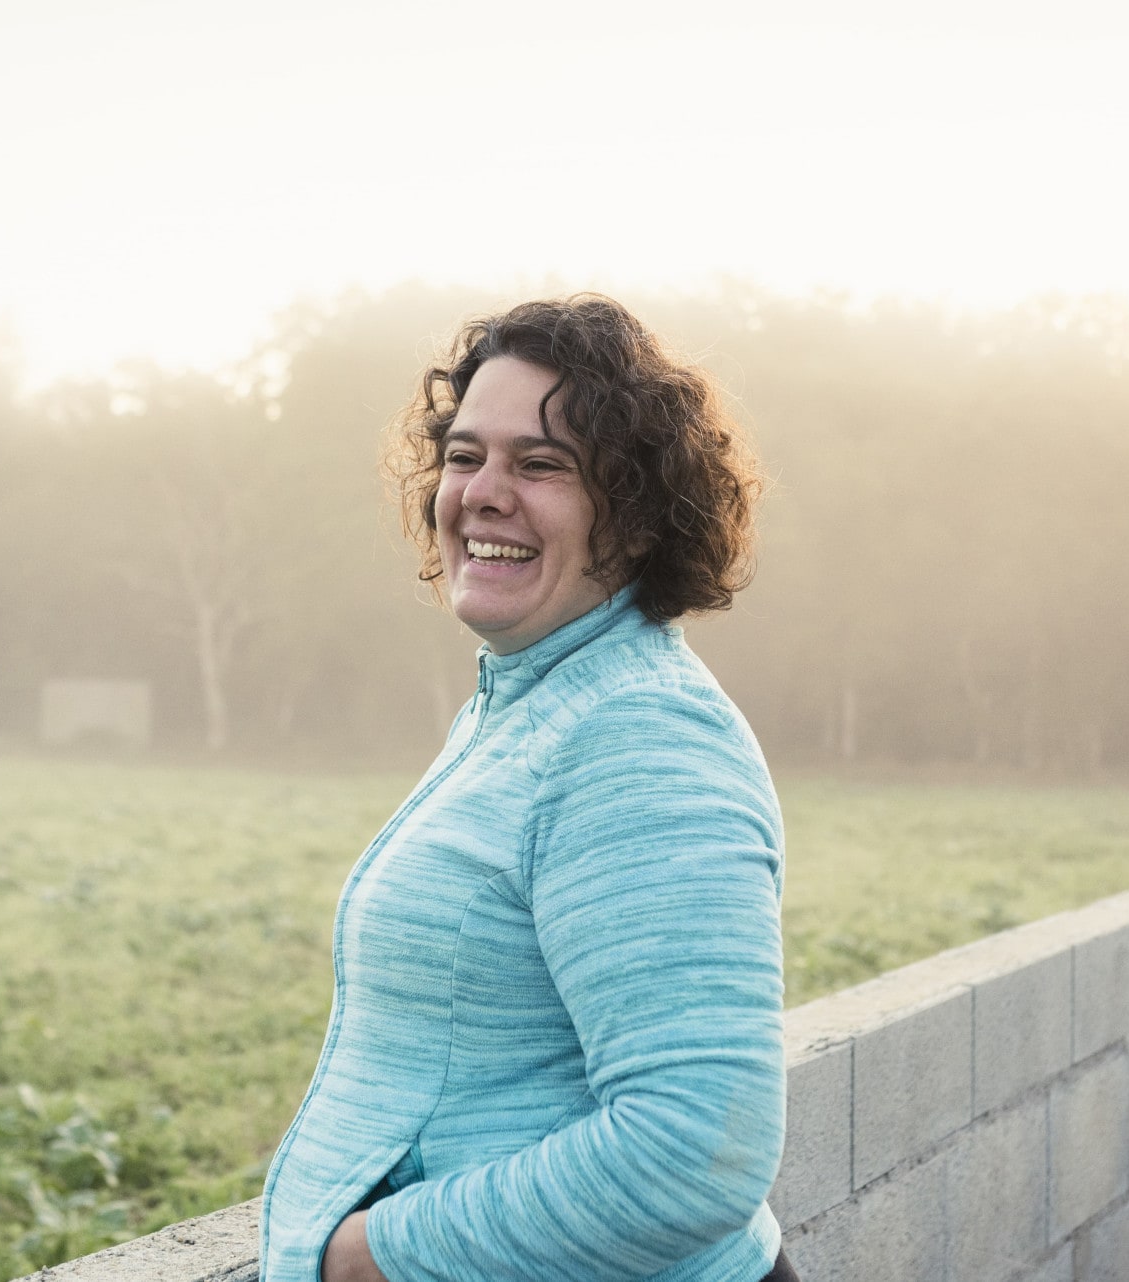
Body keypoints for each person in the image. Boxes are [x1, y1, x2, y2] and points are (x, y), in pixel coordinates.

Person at [258, 294, 795, 1282]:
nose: (483, 493)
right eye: (465, 456)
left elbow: (693, 1152)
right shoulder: (536, 700)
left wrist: (374, 1254)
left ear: (637, 514)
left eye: (541, 464)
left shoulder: (638, 734)